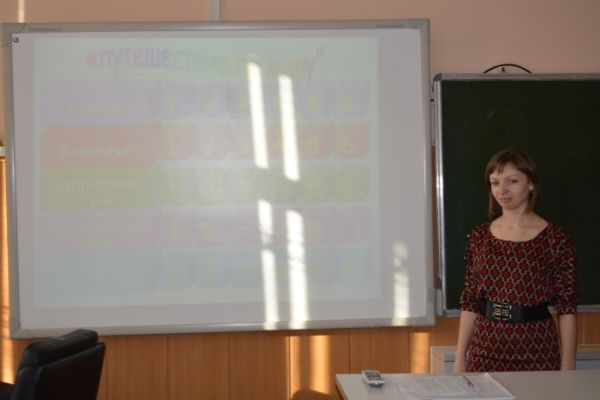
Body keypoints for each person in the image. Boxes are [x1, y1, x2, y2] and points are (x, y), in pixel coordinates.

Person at [453, 148, 578, 372]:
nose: (502, 190)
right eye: (495, 182)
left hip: (537, 352)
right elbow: (471, 300)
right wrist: (460, 359)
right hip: (484, 351)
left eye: (512, 181)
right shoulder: (478, 237)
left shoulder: (555, 239)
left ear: (531, 184)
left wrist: (568, 367)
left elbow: (567, 307)